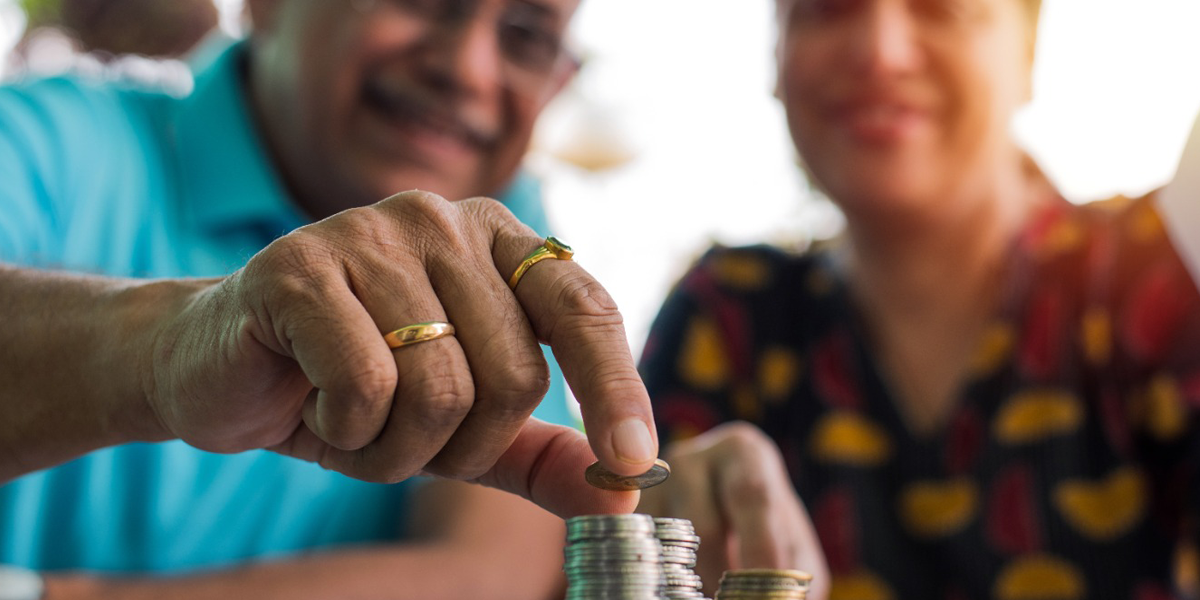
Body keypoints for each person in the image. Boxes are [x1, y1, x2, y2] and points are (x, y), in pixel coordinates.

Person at [0, 0, 660, 597]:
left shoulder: (499, 223)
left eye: (527, 35)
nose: (468, 68)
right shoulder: (38, 142)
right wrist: (167, 346)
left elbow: (491, 569)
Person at [638, 0, 1200, 598]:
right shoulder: (727, 320)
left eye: (941, 8)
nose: (881, 53)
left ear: (1028, 48)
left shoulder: (1157, 280)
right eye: (827, 10)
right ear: (775, 53)